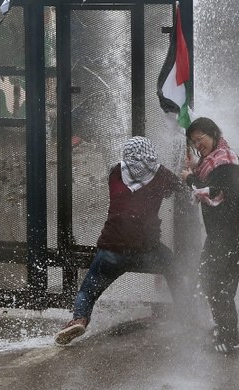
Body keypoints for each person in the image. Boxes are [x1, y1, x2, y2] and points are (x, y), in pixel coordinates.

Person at [54, 136, 188, 346]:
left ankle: (79, 319)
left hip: (112, 249)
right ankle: (186, 315)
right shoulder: (161, 173)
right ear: (150, 152)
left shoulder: (116, 171)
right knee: (174, 268)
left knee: (87, 291)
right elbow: (179, 189)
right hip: (147, 249)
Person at [179, 117, 239, 355]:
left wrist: (189, 178)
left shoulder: (225, 161)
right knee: (213, 281)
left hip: (230, 235)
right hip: (223, 234)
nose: (199, 145)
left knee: (219, 285)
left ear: (213, 133)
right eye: (194, 142)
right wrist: (196, 167)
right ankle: (225, 329)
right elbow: (211, 180)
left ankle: (230, 339)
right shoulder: (215, 161)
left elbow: (211, 190)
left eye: (201, 139)